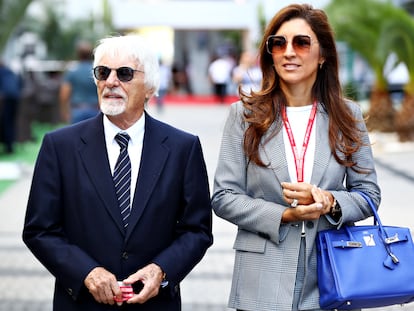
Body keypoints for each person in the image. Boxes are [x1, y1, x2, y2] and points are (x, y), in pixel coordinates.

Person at [23, 34, 213, 311]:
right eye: (103, 72)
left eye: (124, 73)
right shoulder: (59, 146)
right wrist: (86, 272)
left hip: (154, 304)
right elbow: (40, 230)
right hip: (82, 304)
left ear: (149, 87)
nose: (111, 81)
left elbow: (197, 230)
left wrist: (161, 271)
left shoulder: (183, 147)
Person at [211, 4, 381, 311]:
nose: (289, 52)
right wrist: (284, 215)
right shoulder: (244, 115)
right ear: (270, 54)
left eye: (301, 42)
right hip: (261, 280)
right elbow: (224, 196)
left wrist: (329, 201)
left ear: (323, 54)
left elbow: (369, 195)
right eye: (279, 43)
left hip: (331, 275)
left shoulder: (348, 116)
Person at [59, 41, 99, 124]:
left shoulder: (72, 71)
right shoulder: (97, 71)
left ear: (78, 54)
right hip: (95, 110)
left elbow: (64, 94)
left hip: (77, 111)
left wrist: (64, 112)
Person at [0, 61, 22, 153]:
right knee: (11, 122)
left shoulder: (1, 72)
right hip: (16, 98)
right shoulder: (11, 71)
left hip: (5, 99)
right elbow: (20, 83)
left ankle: (8, 146)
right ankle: (10, 146)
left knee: (6, 122)